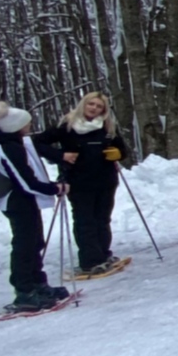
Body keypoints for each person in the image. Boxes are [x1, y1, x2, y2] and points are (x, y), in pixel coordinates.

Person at [0, 100, 69, 314]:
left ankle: (38, 283)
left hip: (26, 201)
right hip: (17, 202)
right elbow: (25, 181)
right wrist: (53, 188)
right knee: (24, 246)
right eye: (26, 123)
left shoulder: (16, 144)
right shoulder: (8, 148)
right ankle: (24, 291)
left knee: (35, 242)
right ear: (15, 126)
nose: (29, 126)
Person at [38, 90, 130, 276]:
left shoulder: (107, 127)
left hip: (105, 180)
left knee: (102, 219)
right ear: (83, 104)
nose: (94, 109)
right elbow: (38, 143)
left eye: (99, 107)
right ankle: (90, 260)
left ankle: (103, 255)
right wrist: (60, 156)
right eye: (91, 104)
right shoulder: (67, 125)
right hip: (78, 181)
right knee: (85, 221)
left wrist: (118, 154)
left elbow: (123, 149)